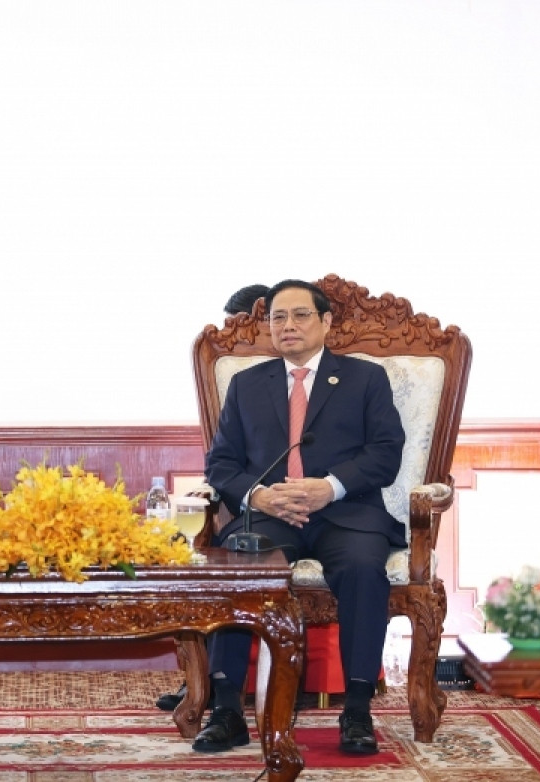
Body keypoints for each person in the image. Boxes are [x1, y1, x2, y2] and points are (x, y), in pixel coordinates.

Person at [190, 278, 405, 756]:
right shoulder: (247, 385)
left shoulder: (365, 378)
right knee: (238, 567)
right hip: (270, 515)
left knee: (362, 568)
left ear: (326, 322)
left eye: (300, 315)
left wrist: (328, 487)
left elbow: (386, 454)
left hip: (346, 512)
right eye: (278, 318)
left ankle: (356, 708)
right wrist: (260, 496)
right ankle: (227, 710)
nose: (288, 326)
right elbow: (221, 464)